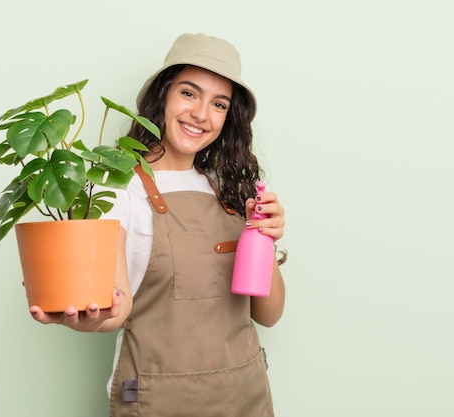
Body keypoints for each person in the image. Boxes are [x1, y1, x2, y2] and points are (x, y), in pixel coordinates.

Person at [29, 33, 287, 416]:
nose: (201, 114)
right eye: (188, 93)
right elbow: (117, 305)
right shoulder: (119, 189)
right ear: (162, 97)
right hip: (158, 401)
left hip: (245, 395)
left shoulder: (229, 190)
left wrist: (264, 235)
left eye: (219, 104)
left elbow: (268, 314)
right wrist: (90, 318)